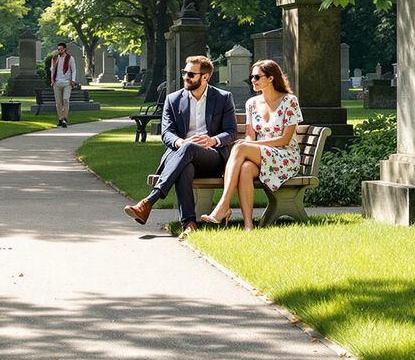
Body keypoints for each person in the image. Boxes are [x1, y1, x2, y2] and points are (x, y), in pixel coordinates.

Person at [122, 55, 238, 238]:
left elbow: (231, 132)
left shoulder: (223, 98)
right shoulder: (173, 99)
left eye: (191, 74)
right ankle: (189, 223)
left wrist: (212, 140)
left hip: (212, 158)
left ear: (205, 76)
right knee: (186, 164)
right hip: (182, 157)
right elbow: (166, 133)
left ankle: (149, 201)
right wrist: (180, 142)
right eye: (184, 72)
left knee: (189, 149)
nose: (186, 77)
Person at [201, 59, 301, 231]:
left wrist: (251, 145)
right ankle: (248, 224)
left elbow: (285, 140)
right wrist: (249, 144)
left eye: (256, 77)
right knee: (246, 167)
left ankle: (223, 205)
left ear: (270, 78)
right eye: (251, 77)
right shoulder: (252, 104)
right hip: (262, 155)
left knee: (240, 147)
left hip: (285, 156)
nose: (252, 80)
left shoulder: (289, 101)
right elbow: (250, 135)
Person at [49, 42, 78, 127]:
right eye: (58, 49)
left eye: (61, 49)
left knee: (66, 100)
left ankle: (65, 118)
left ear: (64, 49)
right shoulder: (54, 58)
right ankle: (60, 119)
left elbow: (74, 70)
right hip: (57, 83)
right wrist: (52, 80)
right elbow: (52, 70)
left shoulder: (70, 58)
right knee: (58, 102)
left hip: (67, 83)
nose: (59, 51)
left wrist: (73, 80)